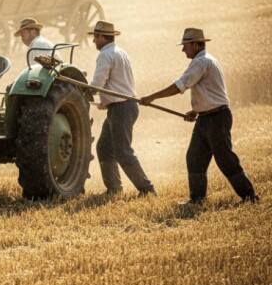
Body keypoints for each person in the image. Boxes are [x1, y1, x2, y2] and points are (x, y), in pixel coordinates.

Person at [140, 28, 258, 204]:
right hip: (206, 117)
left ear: (195, 44)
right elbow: (209, 90)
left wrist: (152, 97)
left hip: (216, 118)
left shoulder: (201, 62)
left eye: (185, 45)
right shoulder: (206, 60)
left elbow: (180, 85)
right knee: (194, 158)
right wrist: (195, 111)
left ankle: (250, 197)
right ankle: (197, 199)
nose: (183, 50)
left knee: (225, 159)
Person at [88, 20, 155, 195]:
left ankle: (147, 189)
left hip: (122, 108)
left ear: (102, 37)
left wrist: (83, 90)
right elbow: (117, 83)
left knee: (123, 151)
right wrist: (106, 101)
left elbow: (98, 83)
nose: (94, 41)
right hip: (121, 106)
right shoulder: (121, 52)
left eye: (95, 37)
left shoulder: (105, 55)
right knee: (104, 147)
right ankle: (114, 188)